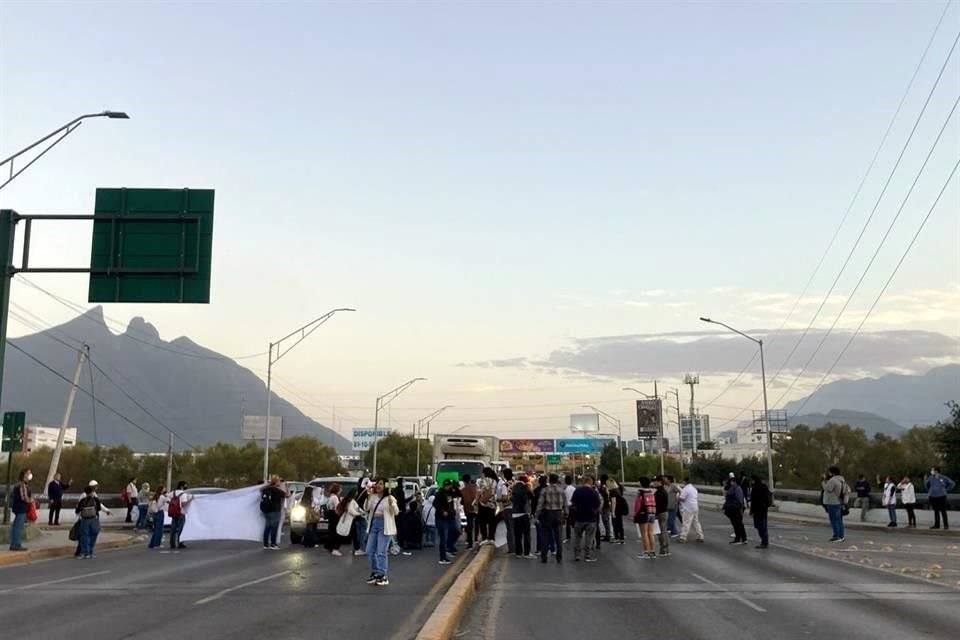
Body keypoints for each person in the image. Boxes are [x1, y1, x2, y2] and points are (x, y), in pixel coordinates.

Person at [365, 478, 400, 586]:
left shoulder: (390, 498)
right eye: (377, 483)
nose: (378, 486)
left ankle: (383, 575)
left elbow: (396, 512)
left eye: (381, 484)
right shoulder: (373, 496)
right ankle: (375, 572)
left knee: (381, 552)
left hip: (385, 526)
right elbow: (366, 508)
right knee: (369, 550)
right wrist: (368, 496)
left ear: (385, 486)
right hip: (374, 524)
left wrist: (392, 504)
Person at [74, 480, 111, 559]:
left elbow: (77, 510)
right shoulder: (94, 498)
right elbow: (99, 507)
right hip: (93, 519)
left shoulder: (83, 498)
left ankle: (85, 552)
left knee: (85, 536)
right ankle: (88, 552)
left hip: (85, 519)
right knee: (91, 535)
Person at [536, 473, 567, 563]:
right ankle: (559, 556)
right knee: (558, 536)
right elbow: (565, 504)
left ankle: (544, 556)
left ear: (549, 480)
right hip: (558, 513)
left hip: (547, 514)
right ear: (557, 480)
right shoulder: (561, 491)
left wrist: (537, 516)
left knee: (545, 535)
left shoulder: (544, 490)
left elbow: (540, 504)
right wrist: (566, 515)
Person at [570, 475, 601, 562]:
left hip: (579, 518)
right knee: (589, 538)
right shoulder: (594, 492)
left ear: (584, 482)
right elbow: (598, 506)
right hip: (591, 518)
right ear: (591, 483)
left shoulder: (577, 491)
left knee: (577, 538)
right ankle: (587, 556)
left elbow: (573, 503)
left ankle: (577, 555)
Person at [434, 479, 460, 564]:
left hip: (450, 517)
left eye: (449, 486)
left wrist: (455, 486)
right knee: (443, 538)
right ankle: (442, 557)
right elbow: (435, 504)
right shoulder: (439, 493)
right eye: (446, 486)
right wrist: (442, 511)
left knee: (456, 531)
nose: (447, 487)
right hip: (442, 518)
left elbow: (459, 494)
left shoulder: (451, 493)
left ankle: (450, 546)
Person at [8, 468, 33, 551]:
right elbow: (24, 497)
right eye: (28, 473)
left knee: (17, 526)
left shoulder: (21, 484)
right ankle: (16, 544)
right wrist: (31, 500)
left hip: (19, 507)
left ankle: (15, 543)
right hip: (21, 508)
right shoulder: (21, 485)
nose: (30, 475)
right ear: (24, 474)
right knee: (18, 527)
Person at [821, 466, 848, 542]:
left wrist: (824, 481)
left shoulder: (833, 480)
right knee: (839, 520)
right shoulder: (842, 480)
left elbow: (828, 489)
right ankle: (841, 536)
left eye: (829, 472)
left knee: (834, 520)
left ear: (832, 473)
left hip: (832, 502)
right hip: (839, 502)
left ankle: (836, 536)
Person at [633, 477, 657, 559]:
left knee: (644, 534)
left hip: (643, 514)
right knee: (651, 533)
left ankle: (646, 552)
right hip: (652, 513)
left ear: (641, 483)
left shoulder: (640, 493)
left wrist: (635, 514)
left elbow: (637, 505)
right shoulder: (651, 492)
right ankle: (652, 552)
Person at [511, 474, 534, 559]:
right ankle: (527, 553)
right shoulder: (526, 488)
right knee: (526, 534)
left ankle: (518, 553)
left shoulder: (514, 488)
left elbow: (511, 499)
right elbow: (532, 496)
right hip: (524, 513)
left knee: (517, 534)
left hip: (515, 513)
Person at [165, 481, 192, 550]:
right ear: (182, 486)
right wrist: (190, 500)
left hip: (174, 513)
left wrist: (173, 504)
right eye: (185, 485)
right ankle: (180, 543)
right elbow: (183, 504)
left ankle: (172, 544)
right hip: (181, 513)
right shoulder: (183, 494)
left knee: (173, 529)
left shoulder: (172, 493)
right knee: (181, 529)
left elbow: (167, 499)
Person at [677, 478, 704, 543]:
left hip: (688, 508)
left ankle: (683, 537)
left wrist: (677, 498)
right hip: (695, 507)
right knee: (696, 523)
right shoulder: (694, 488)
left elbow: (682, 499)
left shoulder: (686, 489)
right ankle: (700, 536)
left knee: (686, 523)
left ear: (685, 482)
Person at [496, 469, 516, 554]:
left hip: (508, 508)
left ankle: (512, 548)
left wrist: (498, 499)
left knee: (510, 529)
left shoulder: (505, 485)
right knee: (515, 529)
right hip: (516, 508)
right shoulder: (516, 483)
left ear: (504, 475)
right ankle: (517, 547)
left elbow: (504, 498)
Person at [477, 468, 498, 545]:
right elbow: (494, 492)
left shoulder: (480, 481)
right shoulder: (494, 481)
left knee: (482, 522)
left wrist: (477, 501)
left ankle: (484, 538)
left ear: (484, 473)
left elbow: (479, 492)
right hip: (492, 504)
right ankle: (491, 538)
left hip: (483, 504)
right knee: (492, 521)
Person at [723, 477, 748, 545]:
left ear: (735, 482)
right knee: (738, 524)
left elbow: (740, 500)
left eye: (732, 481)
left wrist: (740, 508)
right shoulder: (733, 488)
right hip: (733, 508)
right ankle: (742, 538)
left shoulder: (736, 489)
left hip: (736, 509)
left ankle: (739, 538)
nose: (731, 483)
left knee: (737, 524)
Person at [750, 475, 771, 549]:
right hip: (764, 511)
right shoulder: (764, 487)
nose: (751, 482)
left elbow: (753, 501)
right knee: (763, 527)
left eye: (752, 480)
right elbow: (769, 498)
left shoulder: (755, 488)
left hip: (758, 511)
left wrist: (751, 511)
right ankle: (765, 542)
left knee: (759, 526)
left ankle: (764, 543)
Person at [324, 482, 345, 556]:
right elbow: (337, 507)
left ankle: (330, 547)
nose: (341, 490)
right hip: (335, 516)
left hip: (331, 516)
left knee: (332, 532)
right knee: (337, 532)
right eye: (340, 489)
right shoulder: (335, 497)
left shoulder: (331, 497)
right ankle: (335, 548)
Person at [460, 474, 478, 549]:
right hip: (477, 509)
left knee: (469, 527)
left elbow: (462, 502)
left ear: (464, 481)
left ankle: (470, 543)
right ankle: (477, 540)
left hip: (468, 510)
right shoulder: (476, 488)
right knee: (478, 526)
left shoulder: (463, 490)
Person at [654, 477, 670, 557]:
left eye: (655, 481)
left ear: (659, 482)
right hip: (664, 512)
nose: (654, 483)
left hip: (660, 513)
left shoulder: (659, 492)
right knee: (664, 531)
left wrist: (654, 513)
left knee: (661, 532)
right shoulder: (663, 491)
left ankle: (663, 549)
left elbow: (657, 505)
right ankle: (666, 549)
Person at [598, 475, 613, 542]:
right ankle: (607, 534)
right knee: (605, 520)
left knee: (605, 520)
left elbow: (605, 496)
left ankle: (608, 535)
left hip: (605, 505)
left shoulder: (603, 487)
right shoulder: (607, 486)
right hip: (606, 505)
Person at [563, 474, 576, 543]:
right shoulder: (574, 489)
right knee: (575, 521)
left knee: (568, 522)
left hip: (567, 507)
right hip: (574, 506)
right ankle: (578, 534)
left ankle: (568, 537)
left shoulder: (565, 489)